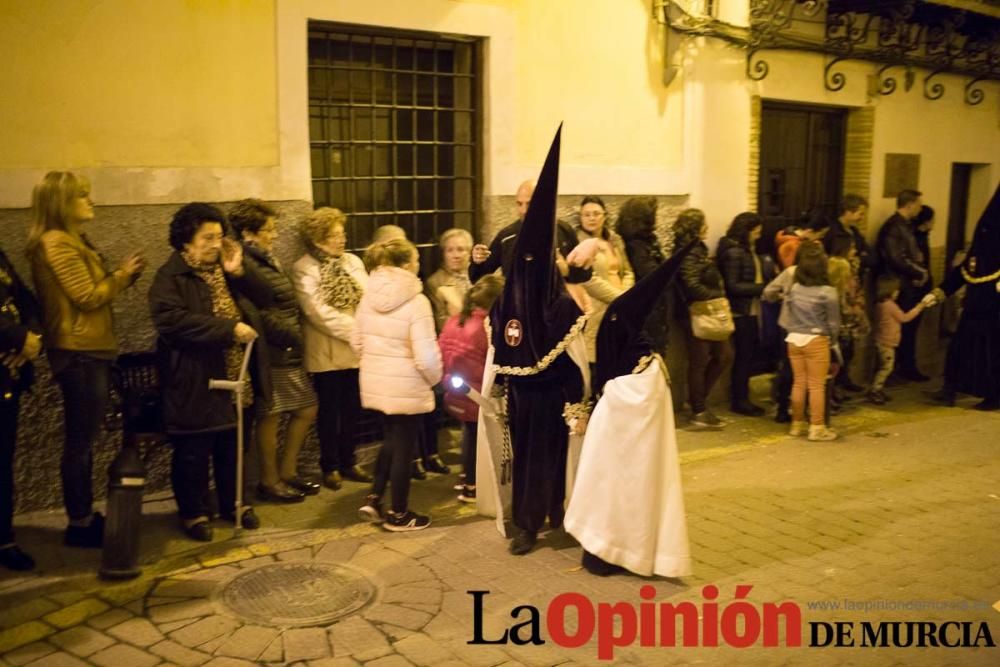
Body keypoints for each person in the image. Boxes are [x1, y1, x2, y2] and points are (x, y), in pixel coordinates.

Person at [479, 126, 590, 556]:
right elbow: (499, 355)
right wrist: (501, 390)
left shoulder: (562, 306)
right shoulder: (505, 304)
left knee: (558, 460)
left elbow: (576, 360)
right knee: (525, 463)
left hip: (555, 400)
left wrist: (575, 403)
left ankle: (561, 516)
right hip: (523, 401)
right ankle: (526, 523)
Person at [27, 171, 145, 548]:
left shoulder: (72, 240)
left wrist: (121, 277)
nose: (90, 201)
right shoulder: (56, 243)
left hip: (89, 349)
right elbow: (88, 297)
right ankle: (79, 522)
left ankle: (84, 515)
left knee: (86, 439)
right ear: (62, 203)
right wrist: (122, 275)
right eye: (82, 196)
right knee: (80, 442)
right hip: (78, 352)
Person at [565, 241, 695, 577]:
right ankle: (613, 549)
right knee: (618, 484)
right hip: (622, 409)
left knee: (621, 483)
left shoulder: (639, 360)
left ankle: (619, 549)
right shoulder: (641, 347)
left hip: (624, 414)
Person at [149, 203, 269, 541]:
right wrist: (228, 328)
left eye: (219, 236)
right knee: (194, 450)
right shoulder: (170, 277)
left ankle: (235, 503)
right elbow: (171, 322)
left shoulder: (224, 269)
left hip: (236, 374)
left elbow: (267, 298)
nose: (216, 244)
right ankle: (193, 512)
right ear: (186, 241)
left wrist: (239, 271)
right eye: (207, 237)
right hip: (196, 377)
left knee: (234, 443)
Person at [230, 199, 319, 503]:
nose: (275, 234)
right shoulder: (246, 263)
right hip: (275, 349)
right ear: (248, 232)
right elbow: (256, 310)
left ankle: (286, 472)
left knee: (300, 409)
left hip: (285, 346)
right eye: (269, 229)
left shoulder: (261, 258)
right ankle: (271, 480)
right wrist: (292, 334)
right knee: (273, 414)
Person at [353, 238, 442, 531]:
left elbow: (357, 341)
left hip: (377, 381)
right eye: (416, 260)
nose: (418, 265)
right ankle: (399, 514)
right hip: (407, 383)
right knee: (404, 448)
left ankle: (374, 499)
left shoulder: (368, 296)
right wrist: (434, 380)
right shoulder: (417, 301)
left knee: (390, 440)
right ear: (405, 265)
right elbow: (426, 355)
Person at [292, 208, 371, 490]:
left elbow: (369, 295)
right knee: (329, 410)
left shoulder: (352, 262)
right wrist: (356, 331)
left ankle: (350, 460)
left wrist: (364, 328)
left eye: (342, 234)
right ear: (317, 239)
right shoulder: (305, 267)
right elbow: (316, 311)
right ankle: (330, 465)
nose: (341, 240)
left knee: (352, 408)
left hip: (355, 350)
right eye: (334, 235)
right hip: (326, 350)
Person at [928, 184, 1000, 411]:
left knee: (993, 354)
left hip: (995, 311)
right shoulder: (981, 249)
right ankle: (950, 388)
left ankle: (994, 395)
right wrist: (940, 291)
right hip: (974, 308)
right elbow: (965, 271)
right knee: (958, 347)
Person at [438, 274, 504, 503]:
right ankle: (473, 485)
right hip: (478, 395)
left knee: (468, 434)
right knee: (478, 439)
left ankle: (466, 478)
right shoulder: (487, 329)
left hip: (455, 390)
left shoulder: (454, 320)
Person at [767, 242, 840, 441]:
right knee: (816, 385)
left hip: (794, 339)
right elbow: (834, 323)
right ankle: (817, 427)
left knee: (798, 383)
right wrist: (831, 340)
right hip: (816, 339)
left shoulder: (796, 288)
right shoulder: (828, 292)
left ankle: (796, 424)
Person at [0, 248, 43, 570]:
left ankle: (4, 538)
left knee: (2, 462)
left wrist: (30, 339)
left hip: (7, 377)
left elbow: (27, 301)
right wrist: (14, 338)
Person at [469, 180, 591, 285]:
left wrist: (567, 271)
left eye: (529, 203)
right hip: (517, 308)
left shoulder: (564, 231)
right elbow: (478, 278)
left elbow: (586, 273)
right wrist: (477, 262)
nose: (523, 210)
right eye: (519, 204)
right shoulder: (507, 236)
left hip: (555, 307)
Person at [674, 208, 732, 428]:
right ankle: (698, 410)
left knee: (724, 355)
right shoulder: (688, 252)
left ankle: (697, 401)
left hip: (706, 310)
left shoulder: (697, 248)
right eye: (703, 223)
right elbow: (691, 286)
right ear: (695, 228)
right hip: (697, 311)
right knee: (699, 360)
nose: (707, 227)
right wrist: (716, 296)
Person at [875, 189, 929, 382]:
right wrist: (919, 271)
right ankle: (897, 368)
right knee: (901, 327)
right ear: (909, 204)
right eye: (918, 204)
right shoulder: (894, 227)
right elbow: (896, 257)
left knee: (908, 329)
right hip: (899, 285)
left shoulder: (905, 225)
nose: (920, 208)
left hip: (905, 284)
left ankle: (906, 366)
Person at [574, 196, 635, 365]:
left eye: (596, 214)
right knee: (597, 361)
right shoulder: (579, 242)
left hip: (620, 307)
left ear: (605, 216)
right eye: (586, 214)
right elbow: (588, 280)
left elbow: (627, 271)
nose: (592, 218)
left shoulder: (614, 240)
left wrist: (626, 293)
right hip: (596, 308)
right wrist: (620, 298)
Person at [717, 212, 766, 416]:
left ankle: (743, 397)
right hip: (741, 311)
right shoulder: (735, 252)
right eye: (756, 232)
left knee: (747, 355)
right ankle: (740, 400)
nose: (758, 236)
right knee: (743, 356)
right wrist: (761, 288)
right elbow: (733, 286)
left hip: (749, 309)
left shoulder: (742, 250)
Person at [616, 196, 672, 354]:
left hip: (653, 308)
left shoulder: (646, 240)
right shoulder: (636, 245)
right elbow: (655, 275)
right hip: (648, 310)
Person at [868, 277, 933, 405]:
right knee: (886, 368)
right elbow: (904, 318)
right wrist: (919, 307)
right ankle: (875, 390)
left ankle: (878, 389)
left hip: (881, 340)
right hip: (887, 342)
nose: (898, 293)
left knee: (883, 366)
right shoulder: (890, 306)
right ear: (890, 292)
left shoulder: (879, 304)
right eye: (896, 291)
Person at [827, 235, 870, 397]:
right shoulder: (838, 267)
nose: (855, 251)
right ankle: (836, 388)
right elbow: (845, 294)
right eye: (851, 248)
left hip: (850, 317)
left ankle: (844, 381)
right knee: (840, 355)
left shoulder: (850, 266)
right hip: (844, 319)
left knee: (848, 352)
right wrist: (855, 308)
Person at [425, 228, 473, 333]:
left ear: (469, 252)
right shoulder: (435, 282)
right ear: (443, 254)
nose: (455, 255)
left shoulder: (478, 275)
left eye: (460, 249)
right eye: (450, 250)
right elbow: (441, 322)